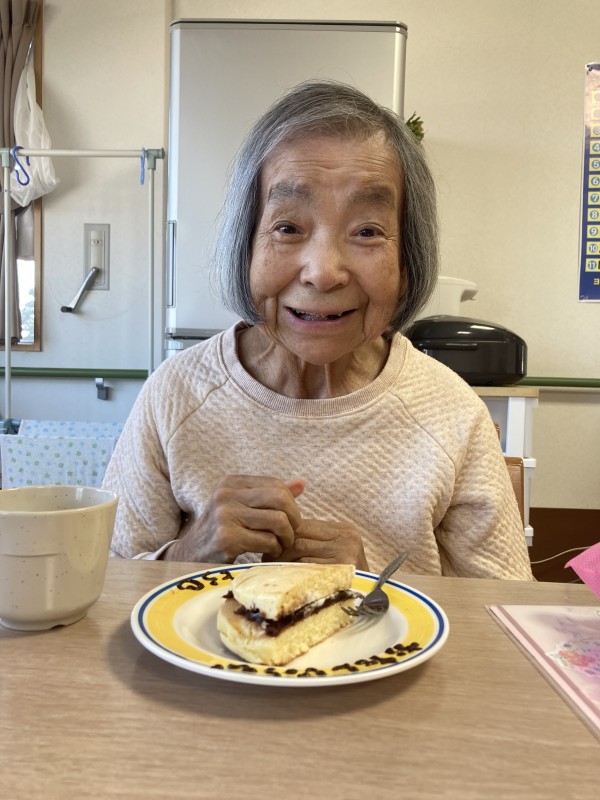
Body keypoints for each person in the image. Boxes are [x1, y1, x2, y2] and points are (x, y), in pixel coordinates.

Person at [103, 79, 533, 580]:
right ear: (245, 245)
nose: (323, 273)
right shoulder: (175, 395)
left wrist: (371, 588)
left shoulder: (451, 412)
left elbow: (503, 610)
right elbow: (107, 584)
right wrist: (189, 552)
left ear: (407, 262)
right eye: (287, 227)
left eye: (367, 231)